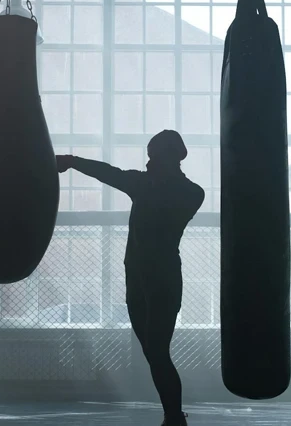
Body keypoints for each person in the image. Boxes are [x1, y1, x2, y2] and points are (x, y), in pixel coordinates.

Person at [56, 130, 205, 426]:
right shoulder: (150, 185)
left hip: (160, 279)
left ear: (169, 158)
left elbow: (115, 176)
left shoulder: (186, 192)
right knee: (154, 351)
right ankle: (173, 415)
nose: (147, 163)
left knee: (157, 351)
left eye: (153, 157)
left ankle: (174, 417)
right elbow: (107, 173)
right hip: (139, 278)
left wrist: (73, 161)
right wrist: (73, 161)